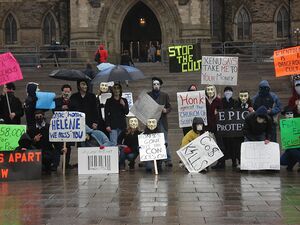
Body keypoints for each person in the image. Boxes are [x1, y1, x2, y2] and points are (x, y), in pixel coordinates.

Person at [147, 77, 172, 167]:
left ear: (160, 85)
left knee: (164, 140)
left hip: (162, 121)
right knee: (151, 140)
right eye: (154, 84)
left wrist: (166, 110)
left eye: (157, 84)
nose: (156, 86)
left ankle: (168, 159)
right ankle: (148, 159)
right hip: (152, 121)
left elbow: (170, 107)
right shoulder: (148, 95)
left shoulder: (164, 95)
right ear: (152, 85)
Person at [53, 84, 74, 169]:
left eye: (68, 92)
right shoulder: (57, 100)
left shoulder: (73, 101)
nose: (66, 93)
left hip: (69, 126)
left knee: (68, 146)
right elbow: (54, 110)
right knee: (58, 146)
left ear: (70, 92)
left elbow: (75, 109)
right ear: (62, 92)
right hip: (59, 126)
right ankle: (55, 164)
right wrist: (61, 108)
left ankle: (66, 163)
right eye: (65, 92)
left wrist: (68, 107)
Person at [204, 85, 223, 169]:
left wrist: (218, 112)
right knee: (206, 144)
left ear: (214, 90)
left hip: (216, 125)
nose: (210, 91)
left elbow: (222, 111)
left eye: (211, 89)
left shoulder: (218, 100)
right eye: (208, 90)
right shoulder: (203, 100)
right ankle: (206, 163)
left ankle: (220, 162)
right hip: (206, 126)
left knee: (219, 143)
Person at [220, 86, 239, 168]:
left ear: (232, 92)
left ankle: (234, 161)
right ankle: (222, 162)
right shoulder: (221, 101)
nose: (228, 92)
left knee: (233, 145)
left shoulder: (235, 101)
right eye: (226, 91)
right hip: (223, 127)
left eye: (229, 91)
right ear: (224, 92)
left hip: (232, 128)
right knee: (224, 145)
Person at [280, 106, 300, 171]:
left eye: (291, 113)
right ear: (285, 115)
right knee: (282, 161)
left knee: (293, 150)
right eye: (287, 114)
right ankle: (291, 164)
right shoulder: (283, 125)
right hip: (290, 147)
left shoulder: (298, 122)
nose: (289, 115)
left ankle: (292, 165)